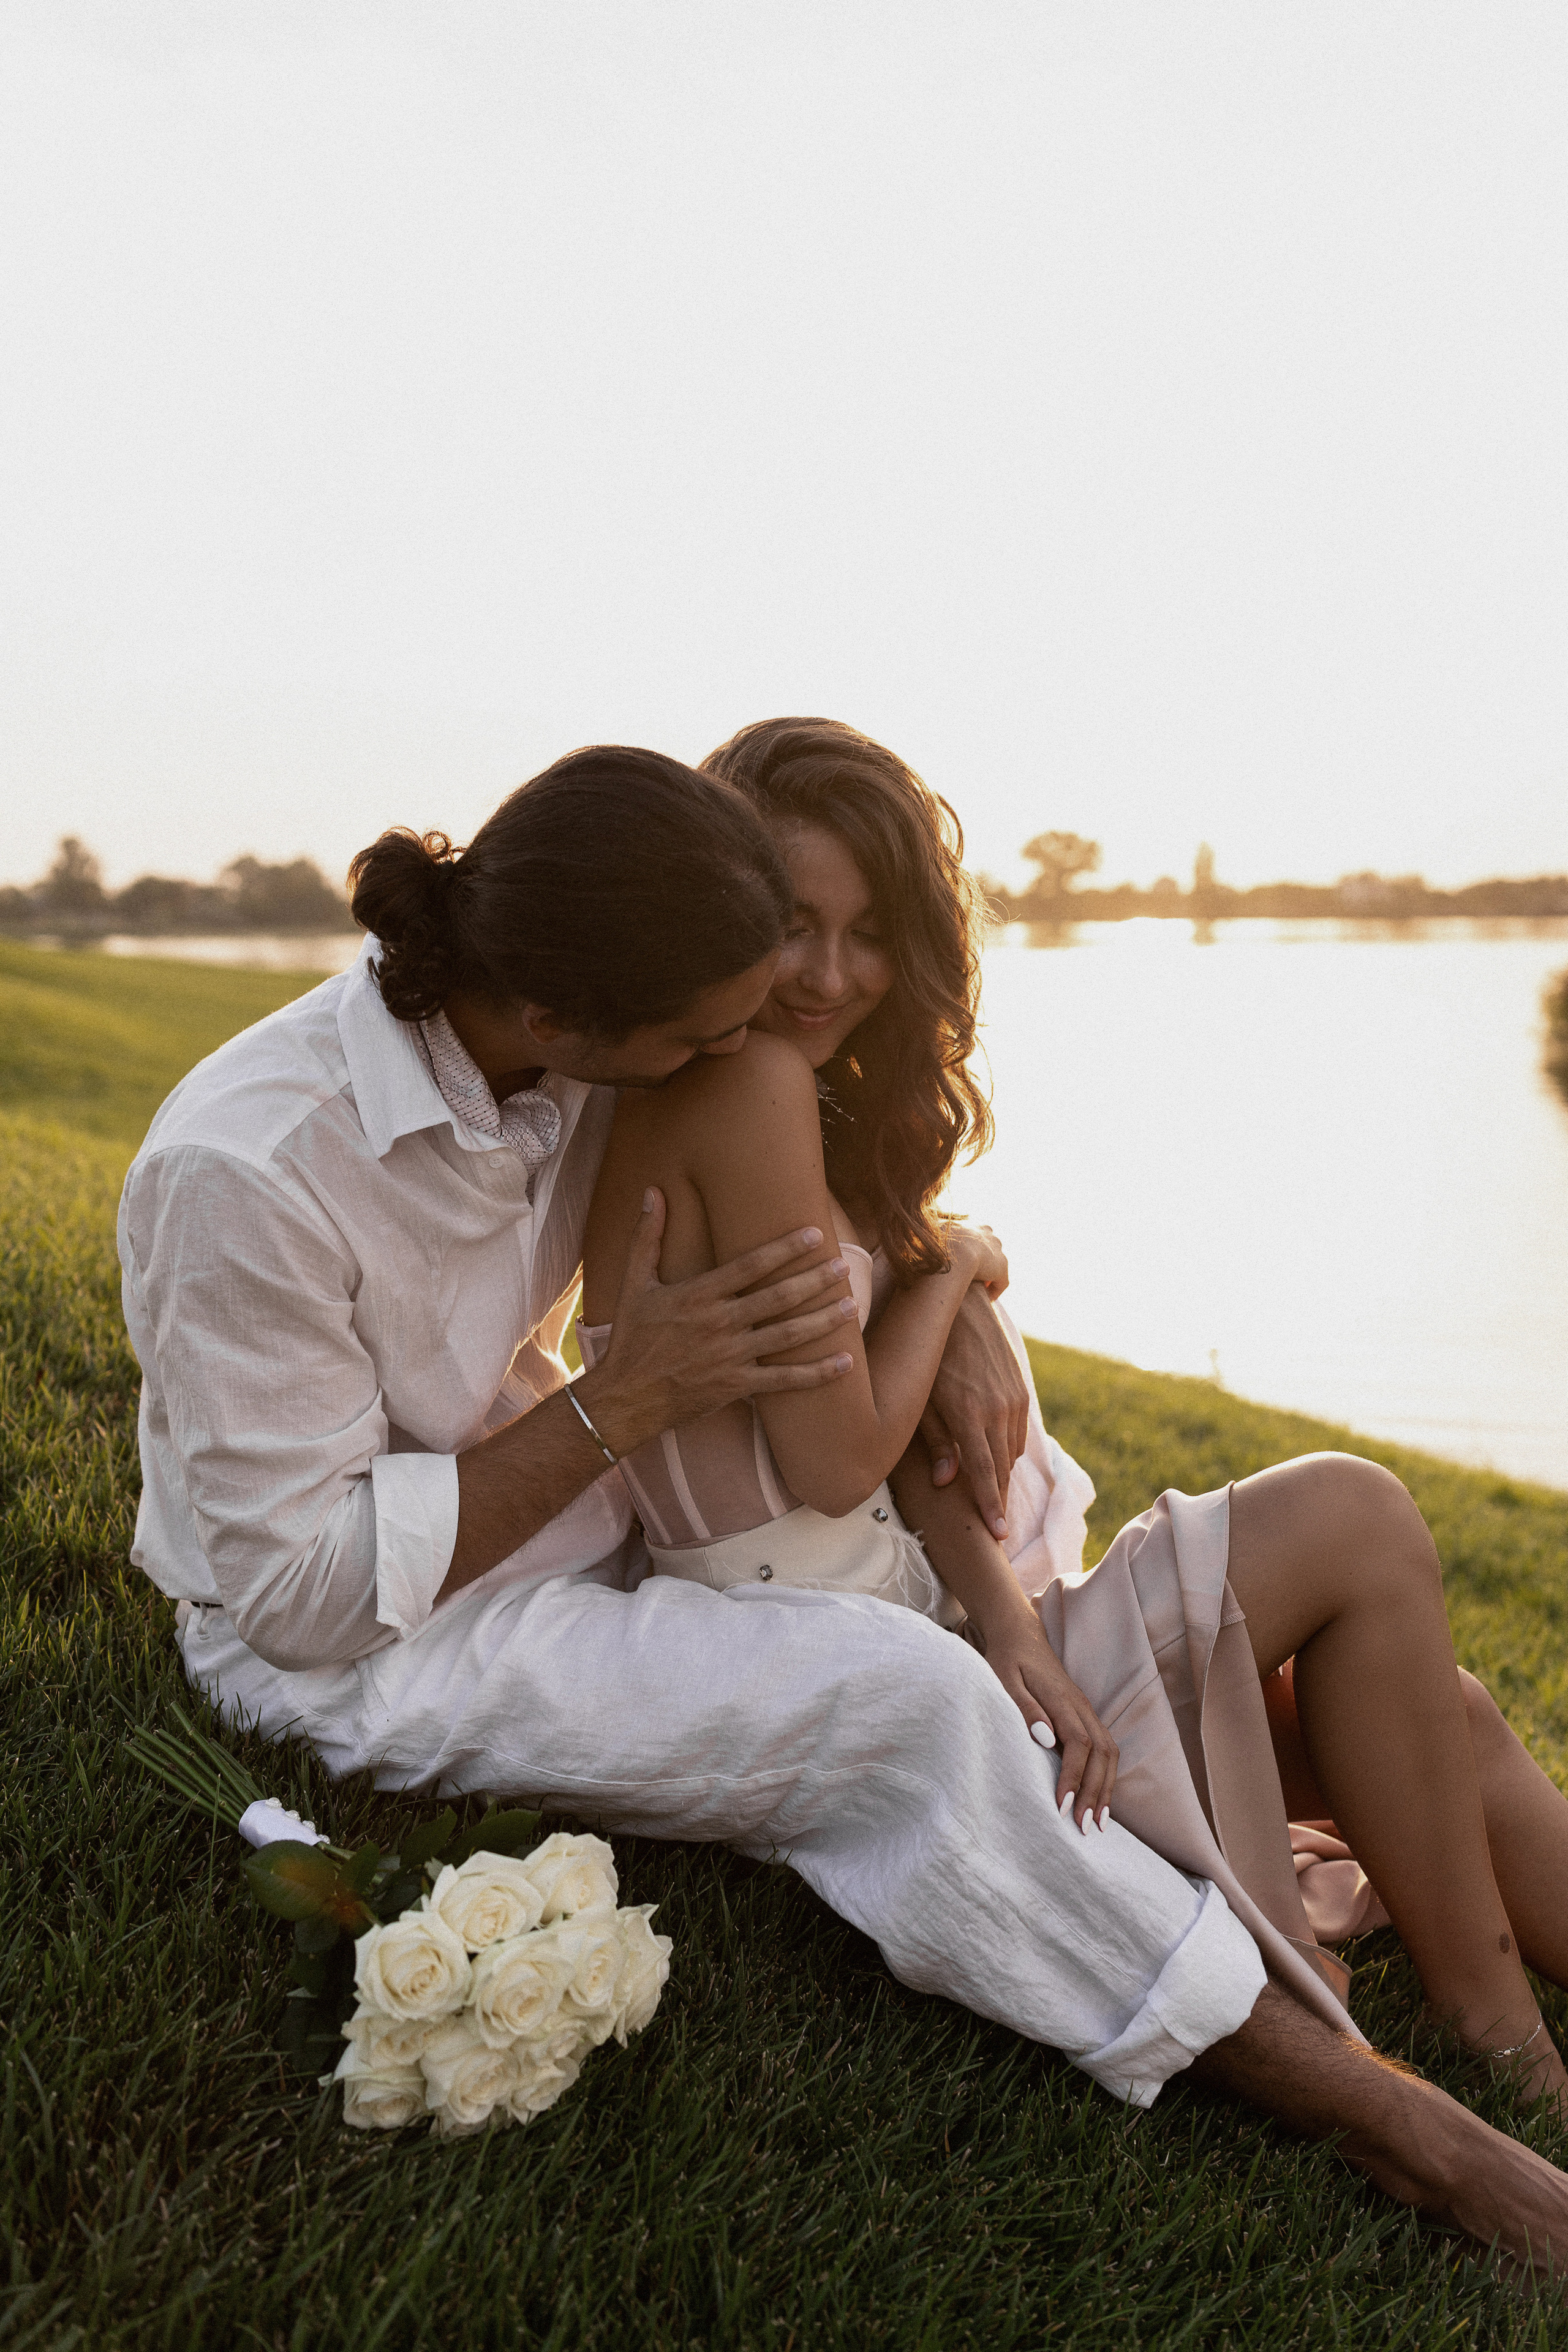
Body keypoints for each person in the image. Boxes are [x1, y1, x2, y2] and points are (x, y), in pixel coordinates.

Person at [119, 735, 1568, 2272]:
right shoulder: (246, 1168)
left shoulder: (580, 1022)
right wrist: (633, 1398)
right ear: (569, 1019)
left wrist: (948, 1288)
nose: (775, 1033)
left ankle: (1484, 2012)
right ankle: (1413, 2130)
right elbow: (296, 1594)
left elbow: (797, 1193)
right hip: (348, 1642)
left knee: (1425, 1715)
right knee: (906, 1695)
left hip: (571, 1527)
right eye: (724, 1025)